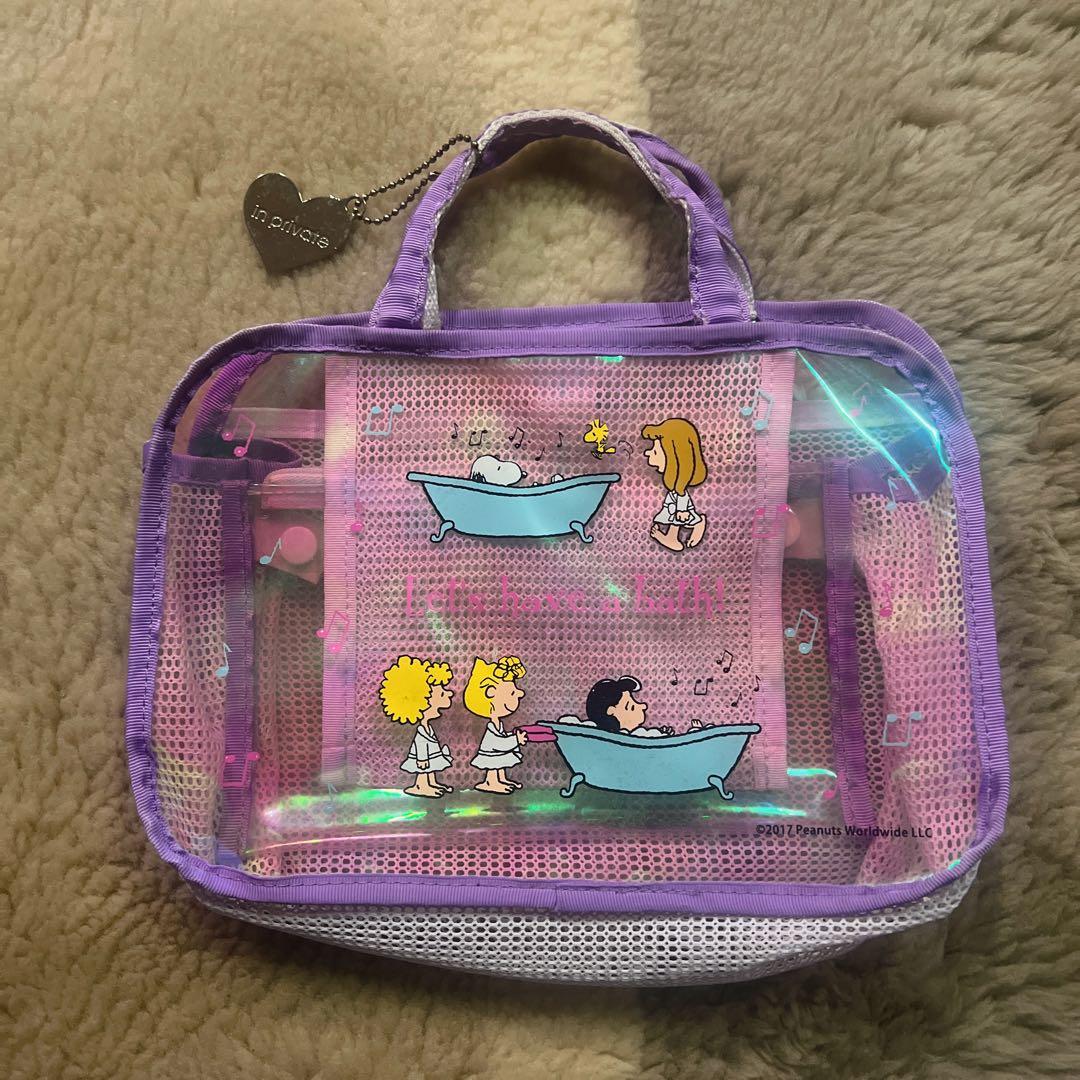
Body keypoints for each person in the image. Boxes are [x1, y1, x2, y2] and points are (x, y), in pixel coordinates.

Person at [378, 656, 455, 799]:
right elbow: (420, 744)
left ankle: (432, 783)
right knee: (424, 771)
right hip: (422, 759)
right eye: (442, 693)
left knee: (430, 769)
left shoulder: (427, 727)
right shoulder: (421, 730)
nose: (449, 693)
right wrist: (422, 759)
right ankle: (421, 786)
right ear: (424, 700)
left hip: (428, 757)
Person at [641, 417, 708, 551]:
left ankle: (675, 536)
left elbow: (681, 498)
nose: (647, 453)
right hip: (675, 502)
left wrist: (682, 511)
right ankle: (692, 526)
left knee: (677, 517)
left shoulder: (679, 490)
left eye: (655, 451)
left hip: (678, 505)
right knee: (675, 517)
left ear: (674, 458)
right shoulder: (676, 488)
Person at [465, 656, 529, 793]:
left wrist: (512, 737)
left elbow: (502, 740)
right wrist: (515, 740)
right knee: (494, 766)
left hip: (498, 753)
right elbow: (499, 744)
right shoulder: (491, 728)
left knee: (500, 764)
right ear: (491, 693)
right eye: (512, 692)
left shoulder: (497, 724)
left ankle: (501, 779)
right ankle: (491, 782)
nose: (520, 693)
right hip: (492, 754)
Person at [585, 676, 675, 737]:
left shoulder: (640, 734)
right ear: (612, 711)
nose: (643, 706)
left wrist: (662, 735)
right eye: (631, 707)